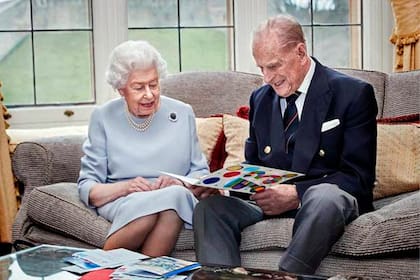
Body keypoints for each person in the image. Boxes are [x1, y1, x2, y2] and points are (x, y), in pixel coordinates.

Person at [193, 14, 377, 274]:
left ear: (301, 52)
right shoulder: (260, 98)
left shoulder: (353, 94)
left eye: (274, 66)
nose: (267, 78)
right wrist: (223, 188)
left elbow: (359, 178)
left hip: (321, 205)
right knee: (210, 208)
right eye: (261, 68)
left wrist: (296, 195)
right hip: (266, 204)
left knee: (325, 197)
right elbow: (254, 167)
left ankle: (286, 277)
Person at [78, 40, 218, 257]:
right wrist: (127, 187)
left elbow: (200, 173)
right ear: (121, 89)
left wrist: (180, 181)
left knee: (173, 200)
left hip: (176, 196)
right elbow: (89, 188)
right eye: (139, 87)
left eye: (154, 84)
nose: (149, 94)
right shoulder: (103, 117)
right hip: (122, 198)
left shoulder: (182, 113)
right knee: (157, 209)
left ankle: (99, 268)